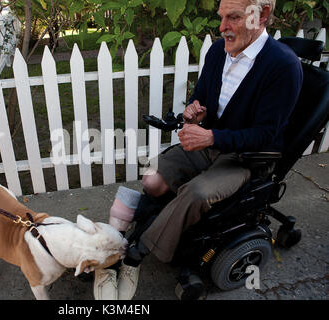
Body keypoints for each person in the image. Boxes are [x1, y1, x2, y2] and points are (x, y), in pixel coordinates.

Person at [94, 0, 303, 300]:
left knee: (197, 193)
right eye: (221, 18)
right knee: (152, 179)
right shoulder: (219, 51)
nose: (222, 28)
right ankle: (152, 219)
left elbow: (265, 135)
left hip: (246, 158)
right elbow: (201, 98)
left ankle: (134, 255)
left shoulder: (283, 67)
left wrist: (212, 137)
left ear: (263, 15)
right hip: (211, 140)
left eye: (233, 18)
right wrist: (195, 112)